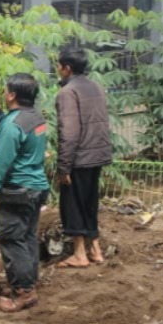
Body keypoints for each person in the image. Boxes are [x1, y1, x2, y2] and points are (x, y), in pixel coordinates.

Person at [0, 73, 50, 313]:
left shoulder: (13, 125)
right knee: (27, 236)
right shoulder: (35, 117)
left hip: (17, 190)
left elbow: (1, 161)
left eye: (5, 90)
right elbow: (16, 134)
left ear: (12, 95)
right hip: (36, 187)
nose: (2, 93)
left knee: (11, 238)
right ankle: (27, 282)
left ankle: (23, 292)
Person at [54, 47, 113, 269]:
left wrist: (64, 166)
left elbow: (69, 132)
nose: (58, 69)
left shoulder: (67, 92)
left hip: (79, 157)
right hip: (98, 154)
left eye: (59, 66)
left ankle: (79, 254)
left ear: (67, 68)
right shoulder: (95, 87)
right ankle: (95, 250)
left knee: (73, 204)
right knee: (90, 202)